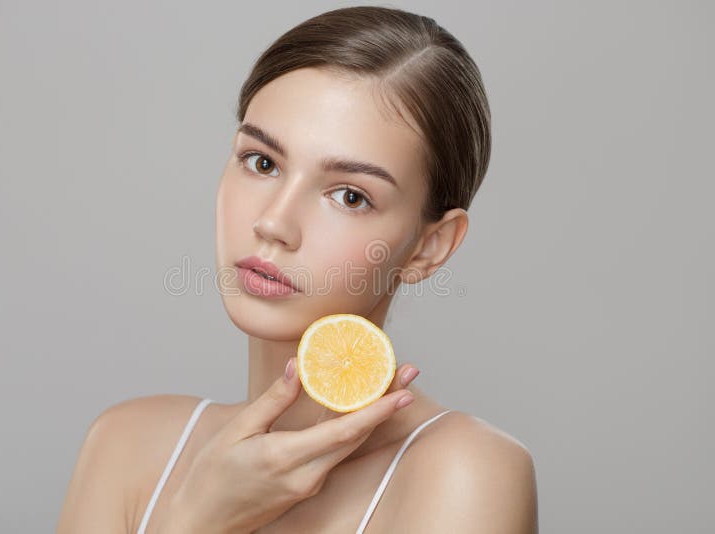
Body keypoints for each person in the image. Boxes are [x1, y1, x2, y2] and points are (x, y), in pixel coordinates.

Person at [57, 5, 538, 533]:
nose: (274, 223)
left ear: (429, 246)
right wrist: (199, 519)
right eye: (261, 162)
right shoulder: (125, 445)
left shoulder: (465, 474)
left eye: (350, 196)